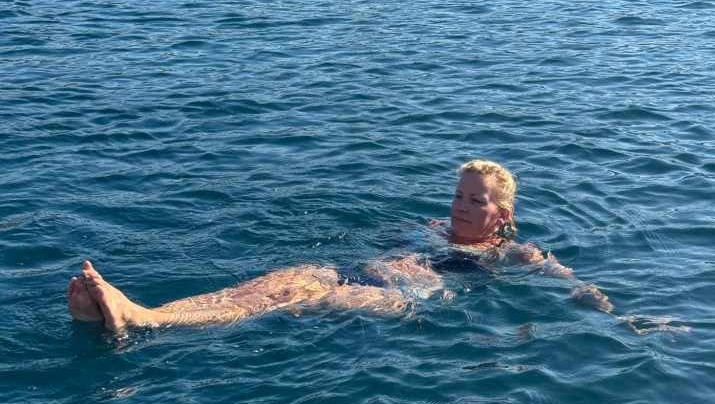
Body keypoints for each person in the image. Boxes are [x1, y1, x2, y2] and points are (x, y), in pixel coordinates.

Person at [67, 159, 664, 333]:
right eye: (458, 196)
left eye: (475, 201)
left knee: (286, 298)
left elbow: (574, 287)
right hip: (356, 272)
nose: (460, 207)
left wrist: (625, 319)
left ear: (500, 213)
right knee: (282, 278)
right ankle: (144, 314)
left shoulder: (516, 254)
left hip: (398, 301)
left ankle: (143, 320)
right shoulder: (431, 228)